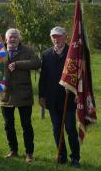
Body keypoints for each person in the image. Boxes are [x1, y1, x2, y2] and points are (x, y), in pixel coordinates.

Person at [39, 26, 80, 167]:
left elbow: (80, 76)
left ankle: (75, 158)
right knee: (57, 129)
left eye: (59, 36)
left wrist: (78, 93)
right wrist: (41, 96)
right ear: (51, 38)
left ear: (65, 37)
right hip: (52, 99)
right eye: (54, 36)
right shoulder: (46, 54)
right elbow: (43, 77)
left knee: (70, 129)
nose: (56, 39)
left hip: (68, 99)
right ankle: (61, 156)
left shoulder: (73, 53)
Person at [0, 28, 40, 162]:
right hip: (6, 94)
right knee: (8, 125)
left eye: (15, 37)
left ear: (19, 39)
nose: (13, 39)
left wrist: (17, 64)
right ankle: (13, 150)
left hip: (24, 94)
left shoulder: (27, 50)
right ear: (6, 39)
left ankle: (29, 153)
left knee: (26, 125)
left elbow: (36, 63)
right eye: (10, 37)